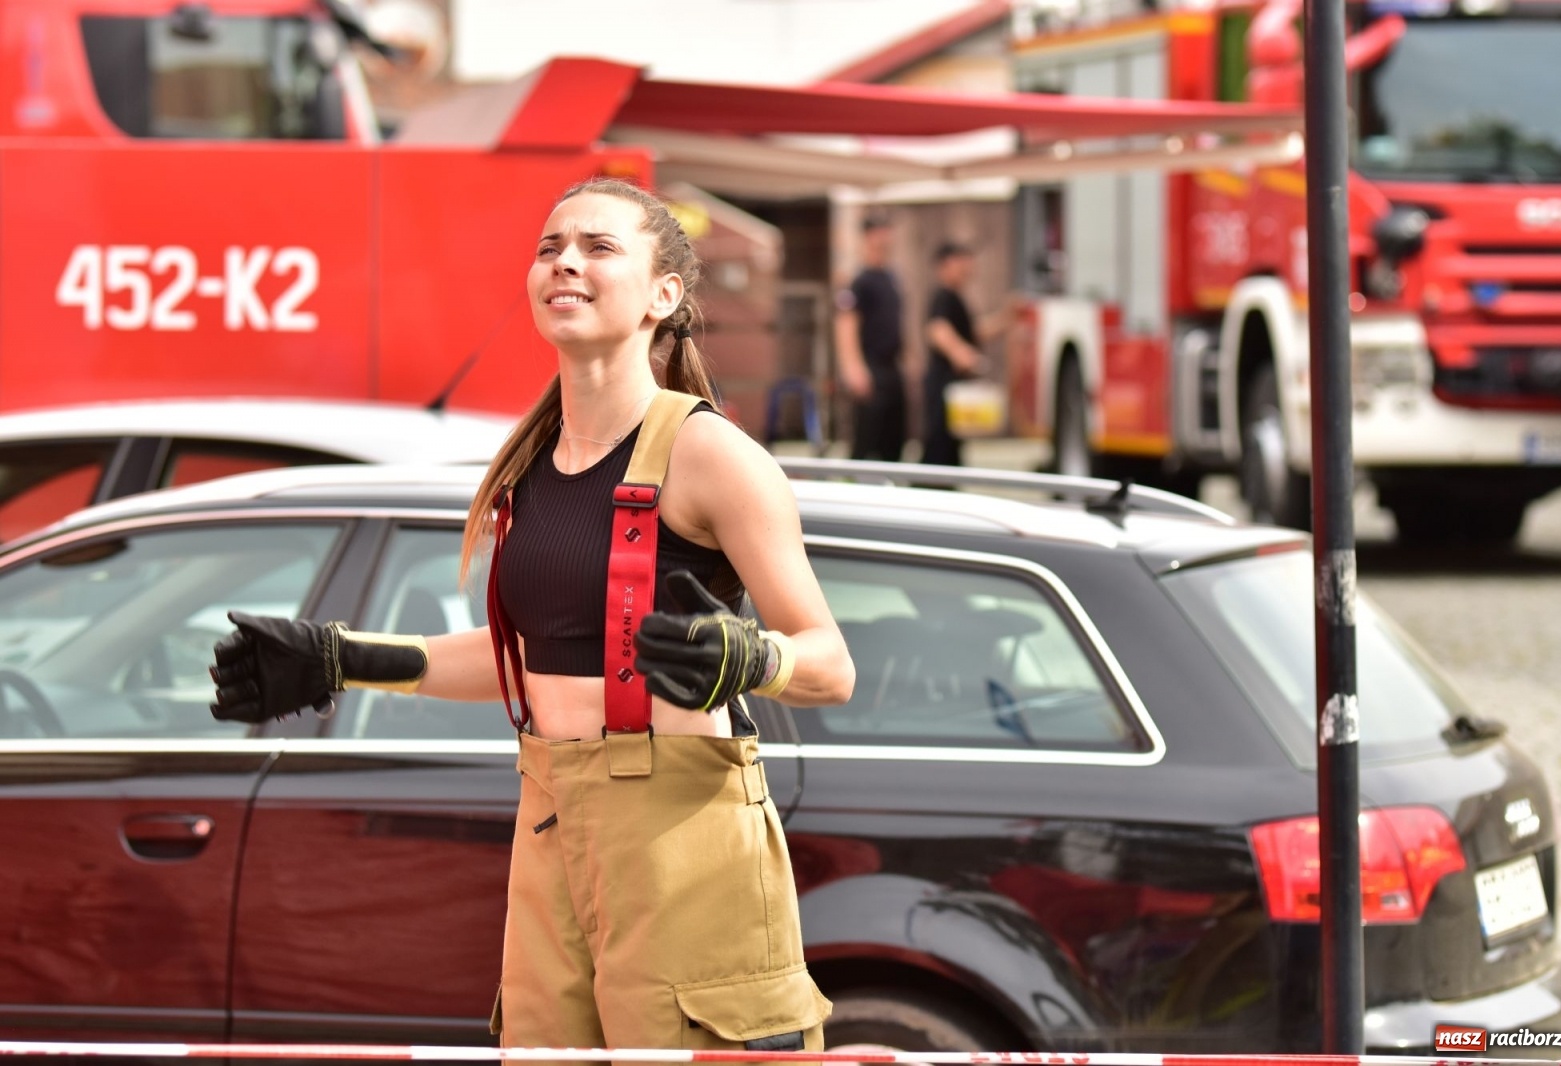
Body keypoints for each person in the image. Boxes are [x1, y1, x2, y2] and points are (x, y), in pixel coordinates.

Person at [206, 177, 856, 1054]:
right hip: (550, 813)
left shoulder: (710, 454)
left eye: (598, 247)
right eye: (550, 247)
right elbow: (527, 660)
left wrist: (747, 659)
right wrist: (339, 657)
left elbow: (830, 664)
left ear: (664, 296)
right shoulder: (530, 465)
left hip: (683, 831)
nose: (566, 263)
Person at [922, 242, 1011, 467]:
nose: (967, 268)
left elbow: (973, 333)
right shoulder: (943, 296)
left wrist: (1005, 319)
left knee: (952, 444)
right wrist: (962, 354)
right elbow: (937, 330)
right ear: (945, 264)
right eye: (960, 262)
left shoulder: (956, 298)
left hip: (954, 383)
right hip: (943, 381)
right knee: (939, 444)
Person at [833, 214, 906, 461]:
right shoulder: (859, 282)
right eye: (879, 232)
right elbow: (846, 324)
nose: (885, 238)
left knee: (894, 437)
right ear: (867, 237)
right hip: (870, 367)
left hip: (892, 367)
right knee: (866, 438)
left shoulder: (890, 278)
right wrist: (853, 368)